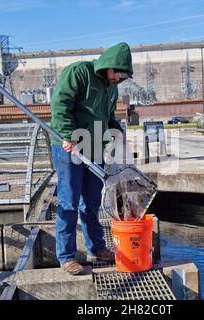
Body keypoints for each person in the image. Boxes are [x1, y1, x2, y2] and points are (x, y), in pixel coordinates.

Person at [50, 42, 133, 275]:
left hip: (93, 148)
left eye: (123, 75)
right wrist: (67, 134)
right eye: (118, 72)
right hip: (70, 148)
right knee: (68, 201)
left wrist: (118, 132)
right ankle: (66, 257)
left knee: (92, 201)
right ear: (108, 65)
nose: (119, 78)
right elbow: (60, 105)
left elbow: (108, 117)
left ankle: (96, 247)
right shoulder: (79, 72)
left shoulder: (112, 88)